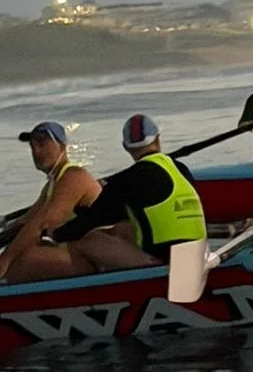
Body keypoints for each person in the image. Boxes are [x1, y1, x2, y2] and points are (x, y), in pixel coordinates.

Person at [40, 114, 207, 274]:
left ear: (126, 147)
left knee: (87, 240)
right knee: (122, 229)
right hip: (199, 255)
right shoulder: (181, 169)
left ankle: (93, 291)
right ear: (157, 139)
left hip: (166, 265)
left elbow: (91, 221)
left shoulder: (128, 180)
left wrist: (54, 235)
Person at [0, 121, 103, 285]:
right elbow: (28, 220)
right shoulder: (53, 182)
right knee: (20, 257)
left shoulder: (74, 176)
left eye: (42, 143)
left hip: (99, 256)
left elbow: (42, 223)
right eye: (32, 145)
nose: (36, 151)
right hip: (82, 251)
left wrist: (3, 262)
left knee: (23, 262)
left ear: (62, 146)